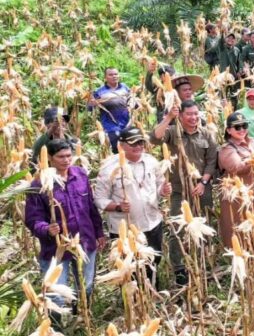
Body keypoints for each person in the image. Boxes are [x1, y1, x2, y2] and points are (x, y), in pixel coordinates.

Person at [25, 139, 106, 323]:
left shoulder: (80, 175)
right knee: (55, 293)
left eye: (69, 155)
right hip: (56, 248)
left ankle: (82, 320)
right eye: (61, 157)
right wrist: (47, 229)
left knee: (86, 285)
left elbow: (91, 208)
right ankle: (56, 331)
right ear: (50, 159)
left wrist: (99, 232)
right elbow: (32, 219)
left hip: (84, 240)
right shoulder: (38, 185)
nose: (66, 160)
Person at [150, 99, 218, 285]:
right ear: (181, 116)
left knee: (204, 224)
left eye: (196, 114)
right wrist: (168, 118)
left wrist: (204, 182)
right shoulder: (173, 133)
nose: (193, 117)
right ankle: (179, 269)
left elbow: (212, 161)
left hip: (202, 188)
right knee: (177, 229)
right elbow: (154, 138)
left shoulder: (206, 134)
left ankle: (203, 261)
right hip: (179, 190)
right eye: (189, 114)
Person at [94, 127, 171, 285]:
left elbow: (158, 184)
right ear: (121, 145)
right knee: (131, 266)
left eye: (141, 142)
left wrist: (163, 190)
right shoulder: (109, 168)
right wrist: (117, 207)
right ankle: (134, 302)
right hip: (125, 228)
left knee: (153, 259)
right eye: (133, 143)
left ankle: (152, 295)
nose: (138, 146)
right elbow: (99, 199)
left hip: (151, 221)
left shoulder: (151, 161)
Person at [218, 111, 254, 244]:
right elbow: (236, 167)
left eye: (244, 126)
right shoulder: (227, 149)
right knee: (238, 226)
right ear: (228, 130)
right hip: (237, 196)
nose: (242, 130)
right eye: (237, 127)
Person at [89, 67, 133, 152]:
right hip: (110, 126)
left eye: (116, 74)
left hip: (127, 124)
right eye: (111, 74)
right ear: (105, 77)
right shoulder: (99, 91)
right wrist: (92, 103)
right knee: (117, 149)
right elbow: (90, 108)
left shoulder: (125, 87)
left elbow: (133, 102)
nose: (114, 76)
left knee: (128, 148)